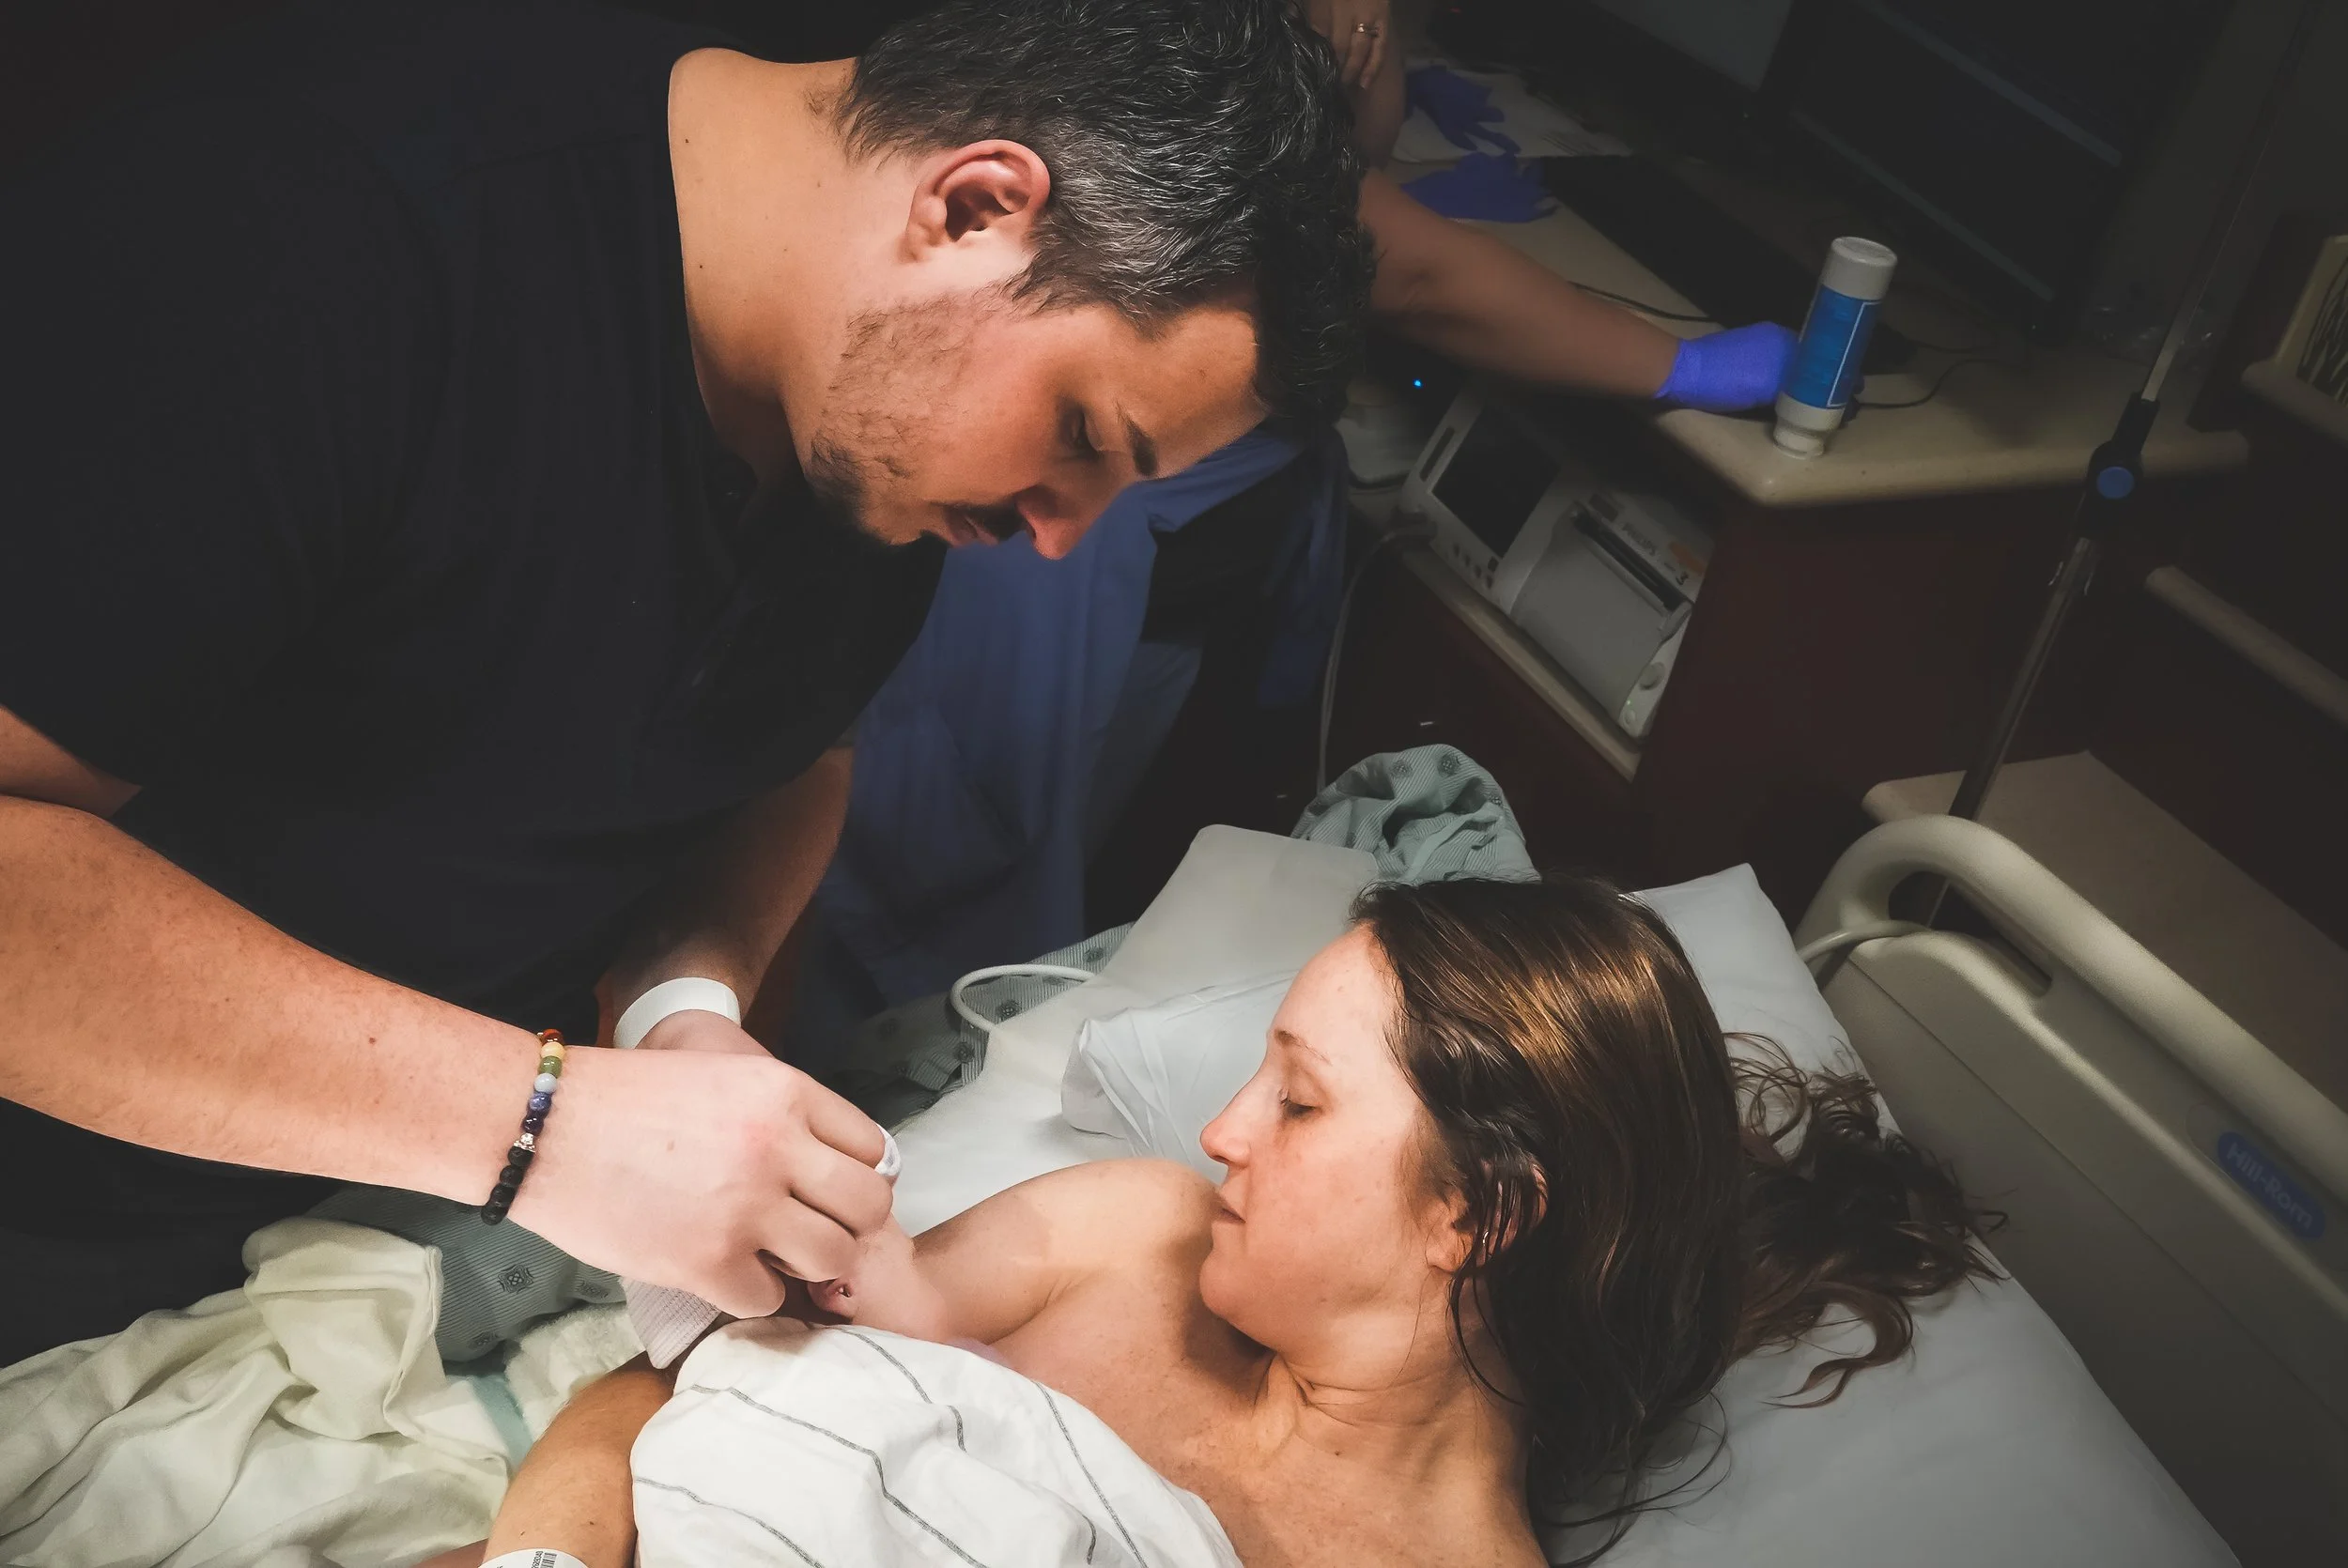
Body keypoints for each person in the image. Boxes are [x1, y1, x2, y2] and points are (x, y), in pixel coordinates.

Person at [0, 0, 1371, 1362]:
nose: (1060, 532)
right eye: (1081, 432)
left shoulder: (871, 414)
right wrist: (533, 1122)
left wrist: (683, 1008)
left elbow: (784, 743)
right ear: (973, 206)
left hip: (391, 1229)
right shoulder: (315, 237)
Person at [443, 875, 1995, 1568]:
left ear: (1477, 1210)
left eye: (1298, 1101)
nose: (1219, 1132)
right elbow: (690, 1384)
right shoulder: (1136, 1235)